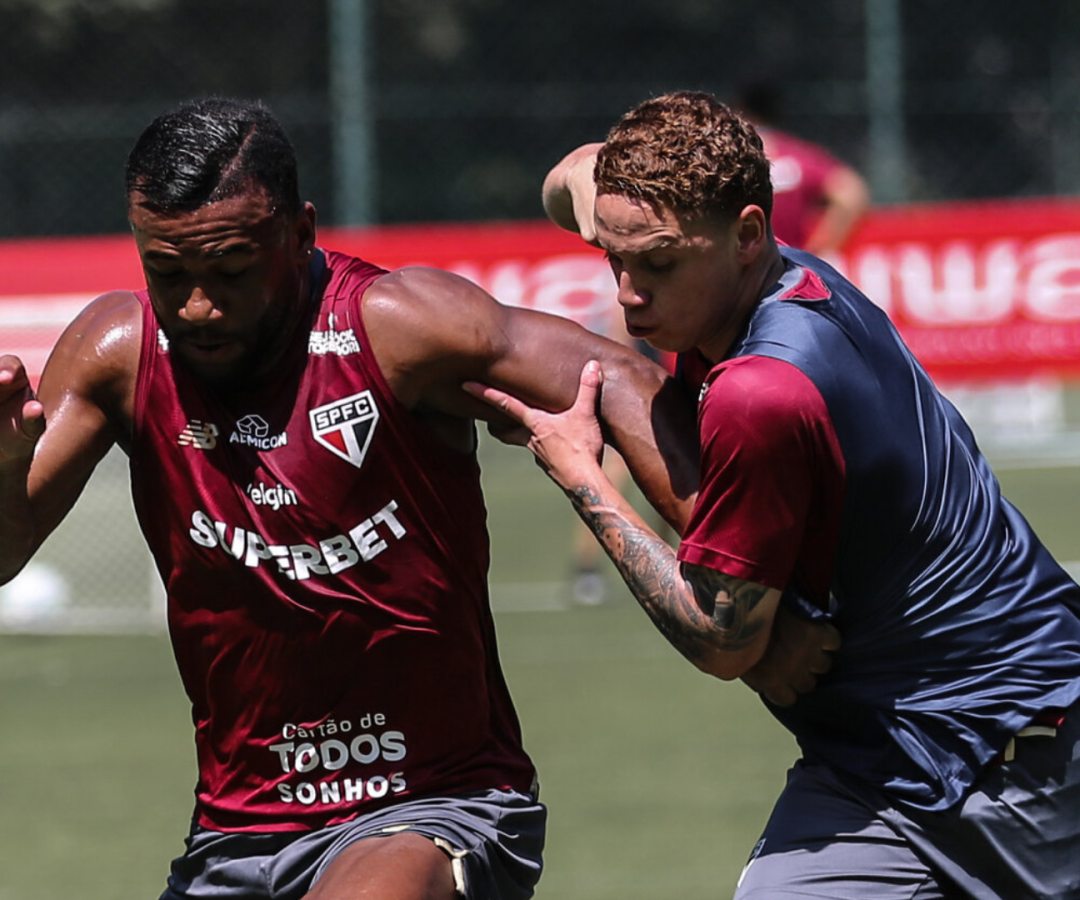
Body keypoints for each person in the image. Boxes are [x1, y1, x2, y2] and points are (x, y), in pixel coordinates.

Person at [0, 97, 711, 900]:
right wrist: (1, 466)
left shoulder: (400, 328)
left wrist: (744, 567)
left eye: (230, 271)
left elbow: (620, 382)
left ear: (301, 232)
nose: (197, 307)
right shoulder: (118, 353)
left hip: (433, 803)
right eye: (167, 274)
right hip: (235, 829)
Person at [469, 91, 1080, 900]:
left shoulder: (763, 391)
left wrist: (582, 475)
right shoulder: (751, 269)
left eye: (658, 264)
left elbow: (724, 644)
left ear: (749, 234)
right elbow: (571, 179)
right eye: (613, 259)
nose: (627, 293)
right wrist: (602, 207)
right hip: (874, 771)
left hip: (1018, 756)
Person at [735, 79, 870, 255]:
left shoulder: (734, 157)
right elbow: (851, 192)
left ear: (738, 108)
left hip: (742, 266)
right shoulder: (794, 157)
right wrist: (819, 250)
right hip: (789, 268)